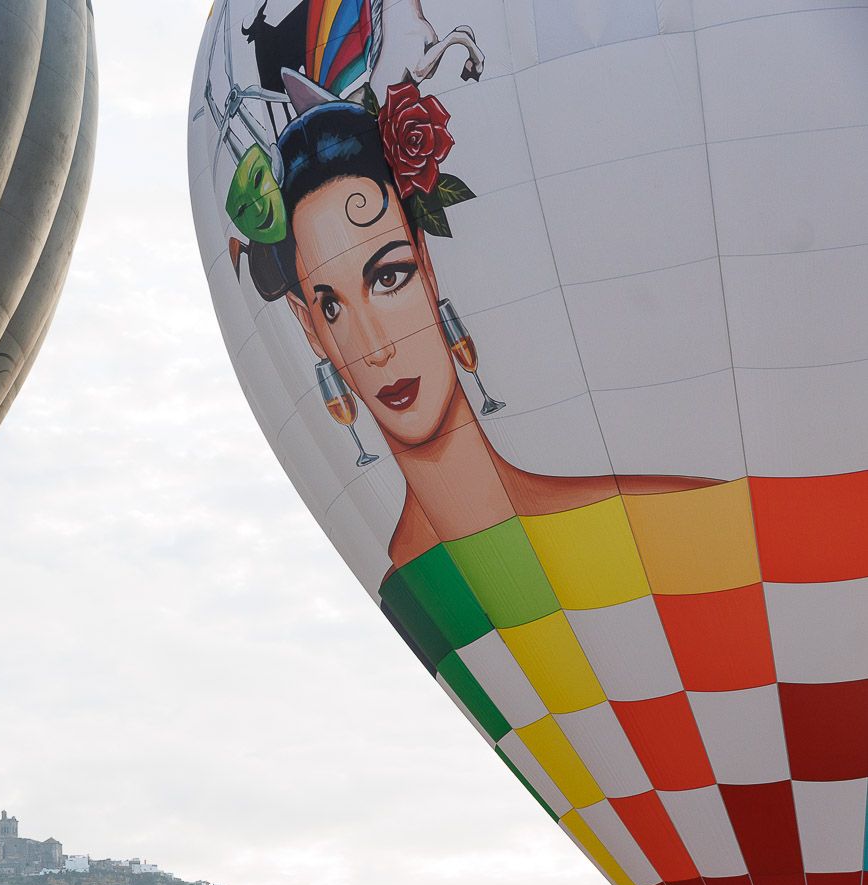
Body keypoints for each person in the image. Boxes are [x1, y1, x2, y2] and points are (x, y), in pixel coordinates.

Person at [262, 92, 708, 573]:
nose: (376, 349)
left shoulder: (680, 519)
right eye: (332, 307)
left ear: (427, 266)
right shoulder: (409, 590)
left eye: (389, 277)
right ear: (309, 327)